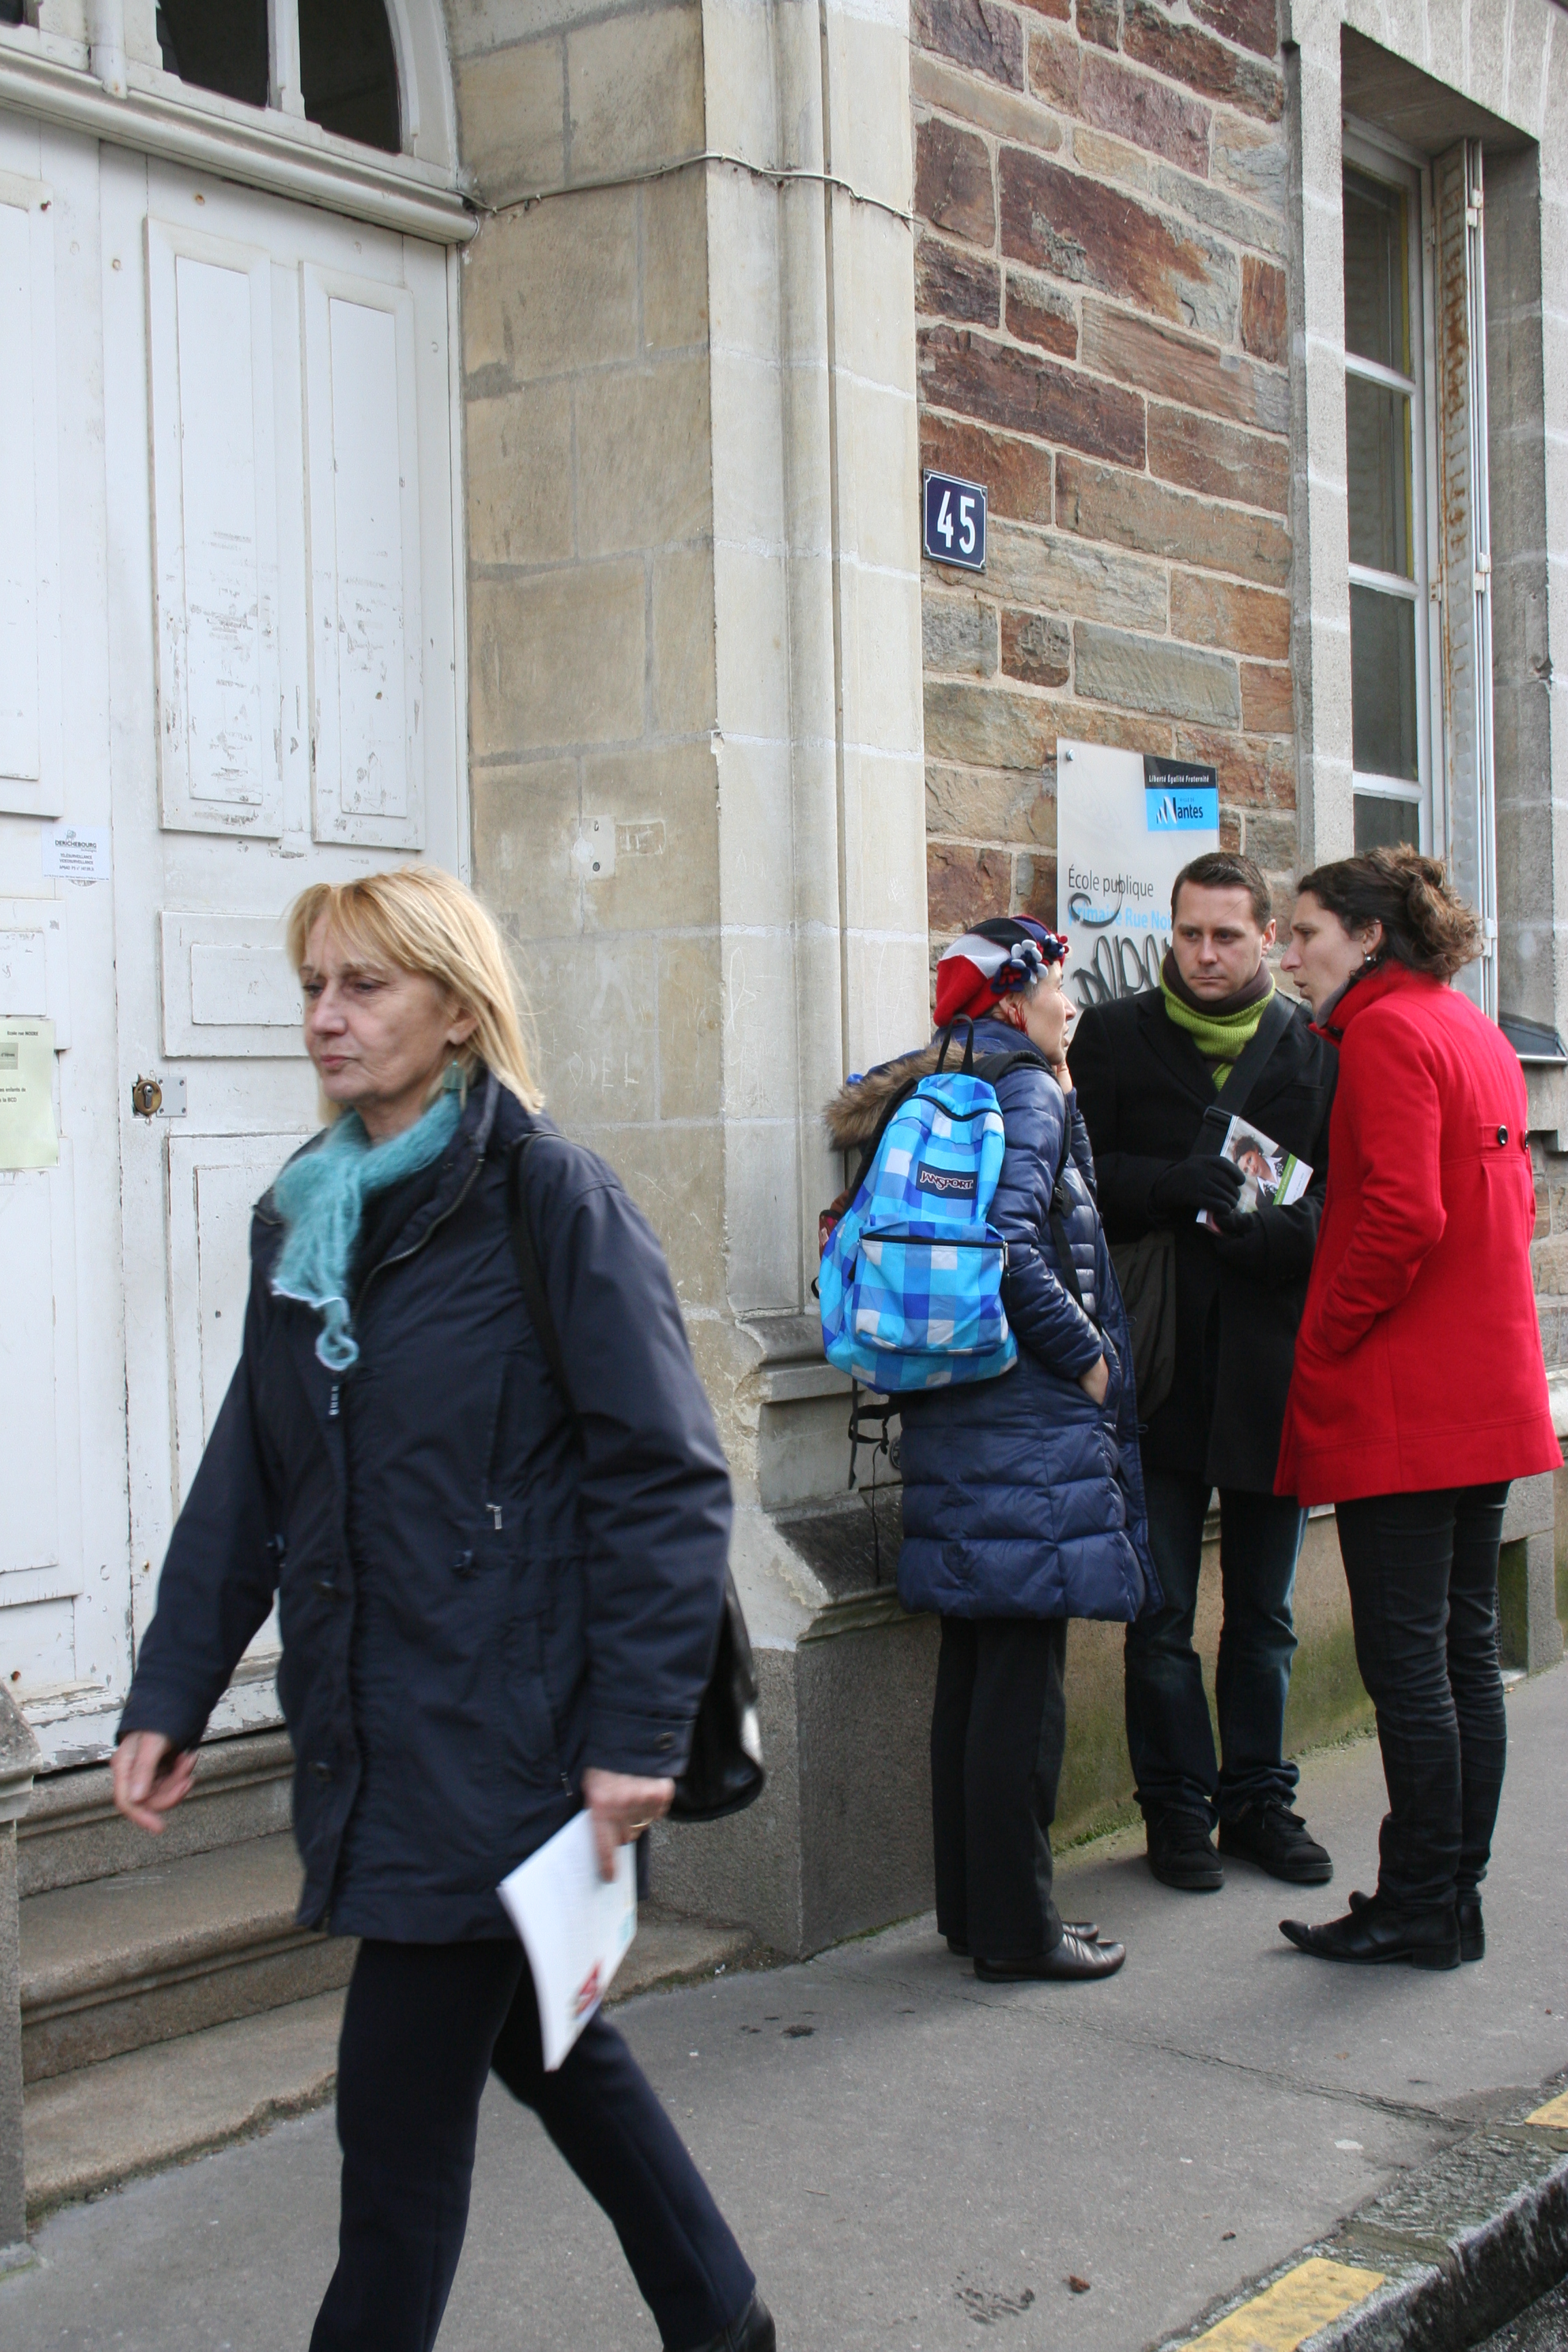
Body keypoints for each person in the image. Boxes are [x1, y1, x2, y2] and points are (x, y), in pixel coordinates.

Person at [111, 867, 773, 2352]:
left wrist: (635, 1733)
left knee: (393, 2144)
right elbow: (250, 1476)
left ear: (459, 1013)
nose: (324, 1022)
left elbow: (664, 1482)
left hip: (514, 1744)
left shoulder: (553, 1201)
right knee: (555, 2048)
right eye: (313, 989)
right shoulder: (305, 1217)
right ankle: (723, 2320)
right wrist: (172, 1693)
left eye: (364, 988)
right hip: (378, 1720)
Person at [826, 916, 1158, 1983]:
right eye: (1059, 983)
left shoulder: (955, 1078)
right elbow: (1011, 1245)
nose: (1073, 1000)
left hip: (963, 1411)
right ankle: (1019, 1932)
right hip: (1027, 1421)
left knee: (977, 1674)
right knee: (1024, 1691)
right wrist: (1092, 1358)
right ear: (1015, 1000)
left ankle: (974, 1913)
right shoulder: (1029, 1090)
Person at [1273, 847, 1558, 1970]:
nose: (1292, 954)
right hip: (1478, 1388)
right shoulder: (1469, 1028)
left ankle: (1421, 1904)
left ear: (1368, 935)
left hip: (1407, 1398)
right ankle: (1450, 1898)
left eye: (1306, 933)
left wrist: (1326, 1334)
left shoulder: (1388, 1033)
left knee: (1412, 1669)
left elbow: (1401, 1214)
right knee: (1461, 1658)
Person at [1068, 852, 1338, 1895]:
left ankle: (1259, 1803)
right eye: (1192, 934)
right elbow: (1077, 1181)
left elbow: (1337, 1205)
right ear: (1170, 932)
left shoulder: (1313, 1049)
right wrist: (1163, 1186)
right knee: (1161, 1615)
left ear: (1268, 937)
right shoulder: (1119, 1034)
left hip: (1273, 1366)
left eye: (1229, 935)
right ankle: (1176, 1812)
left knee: (1265, 1616)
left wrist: (1271, 1238)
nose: (1208, 954)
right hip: (1163, 1361)